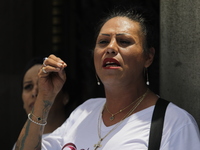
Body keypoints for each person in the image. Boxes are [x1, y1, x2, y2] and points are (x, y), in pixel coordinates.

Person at [14, 6, 200, 150]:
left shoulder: (176, 123)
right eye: (103, 42)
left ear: (148, 57)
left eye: (124, 41)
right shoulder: (84, 112)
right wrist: (44, 98)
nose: (110, 48)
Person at [13, 56, 79, 149]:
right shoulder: (20, 145)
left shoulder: (78, 137)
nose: (34, 93)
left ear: (65, 96)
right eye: (28, 86)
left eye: (44, 84)